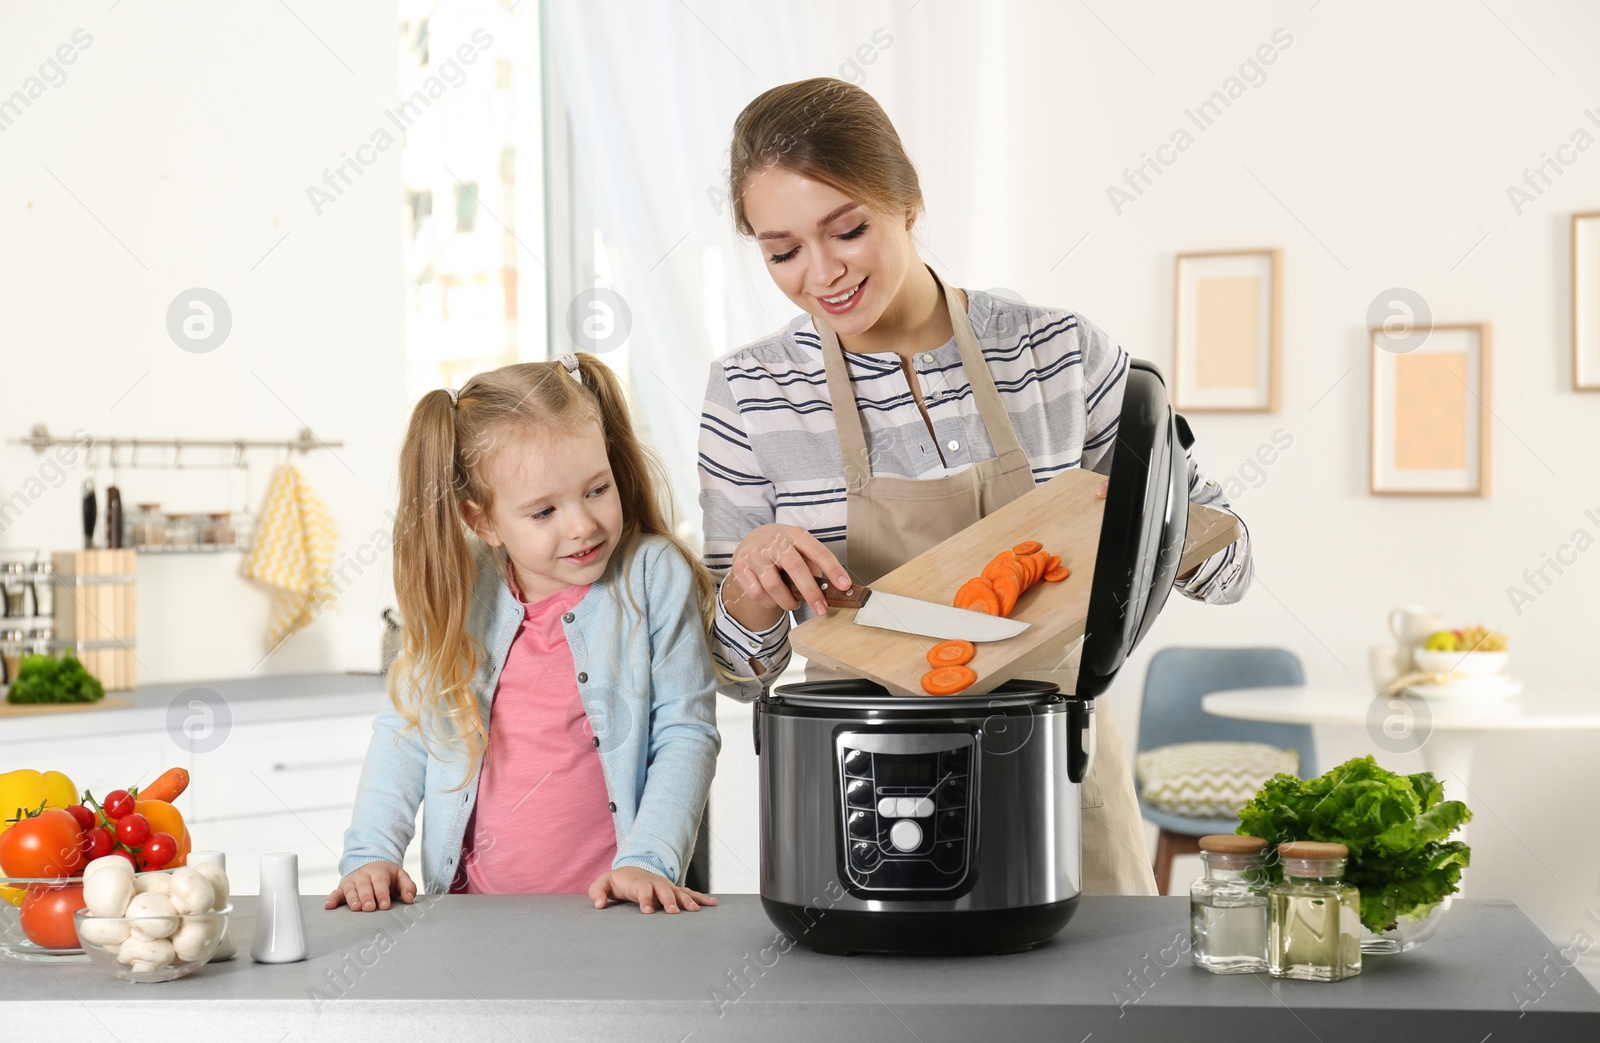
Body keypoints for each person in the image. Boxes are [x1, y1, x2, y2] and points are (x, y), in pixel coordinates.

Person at [697, 78, 1253, 896]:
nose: (821, 274)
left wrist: (1156, 523)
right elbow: (741, 675)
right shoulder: (752, 392)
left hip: (1062, 782)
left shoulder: (1058, 355)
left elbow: (1230, 566)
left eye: (847, 229)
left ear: (908, 200)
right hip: (865, 806)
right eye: (782, 251)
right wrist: (751, 582)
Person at [331, 353, 721, 914]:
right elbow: (407, 731)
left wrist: (648, 861)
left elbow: (686, 732)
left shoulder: (652, 574)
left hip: (614, 913)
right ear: (482, 521)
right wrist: (371, 853)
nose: (582, 525)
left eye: (596, 489)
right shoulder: (461, 590)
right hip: (473, 919)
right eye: (543, 512)